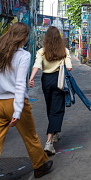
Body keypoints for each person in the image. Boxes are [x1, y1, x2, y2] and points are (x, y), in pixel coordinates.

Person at [0, 22, 53, 180]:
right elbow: (19, 85)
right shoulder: (23, 56)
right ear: (24, 37)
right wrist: (16, 111)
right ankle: (39, 166)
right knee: (30, 136)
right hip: (15, 103)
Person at [29, 26, 72, 156]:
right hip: (58, 80)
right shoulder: (64, 51)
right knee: (57, 109)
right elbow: (69, 68)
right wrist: (62, 62)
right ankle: (49, 141)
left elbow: (36, 65)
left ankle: (54, 134)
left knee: (50, 107)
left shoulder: (41, 51)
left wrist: (31, 78)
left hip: (46, 80)